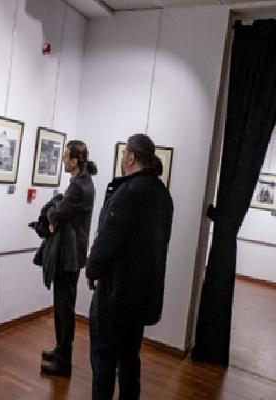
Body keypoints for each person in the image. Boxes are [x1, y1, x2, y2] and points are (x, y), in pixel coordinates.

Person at [85, 134, 173, 400]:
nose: (123, 158)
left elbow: (108, 238)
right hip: (142, 295)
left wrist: (92, 269)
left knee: (104, 362)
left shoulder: (129, 192)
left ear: (132, 157)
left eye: (124, 154)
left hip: (116, 294)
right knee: (129, 360)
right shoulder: (162, 195)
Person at [39, 140, 97, 377]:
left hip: (68, 257)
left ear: (74, 161)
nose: (63, 160)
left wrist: (53, 211)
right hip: (70, 254)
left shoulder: (79, 187)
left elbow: (56, 213)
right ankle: (61, 350)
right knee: (63, 308)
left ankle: (64, 362)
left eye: (65, 157)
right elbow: (60, 212)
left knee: (64, 310)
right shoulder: (82, 182)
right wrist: (57, 210)